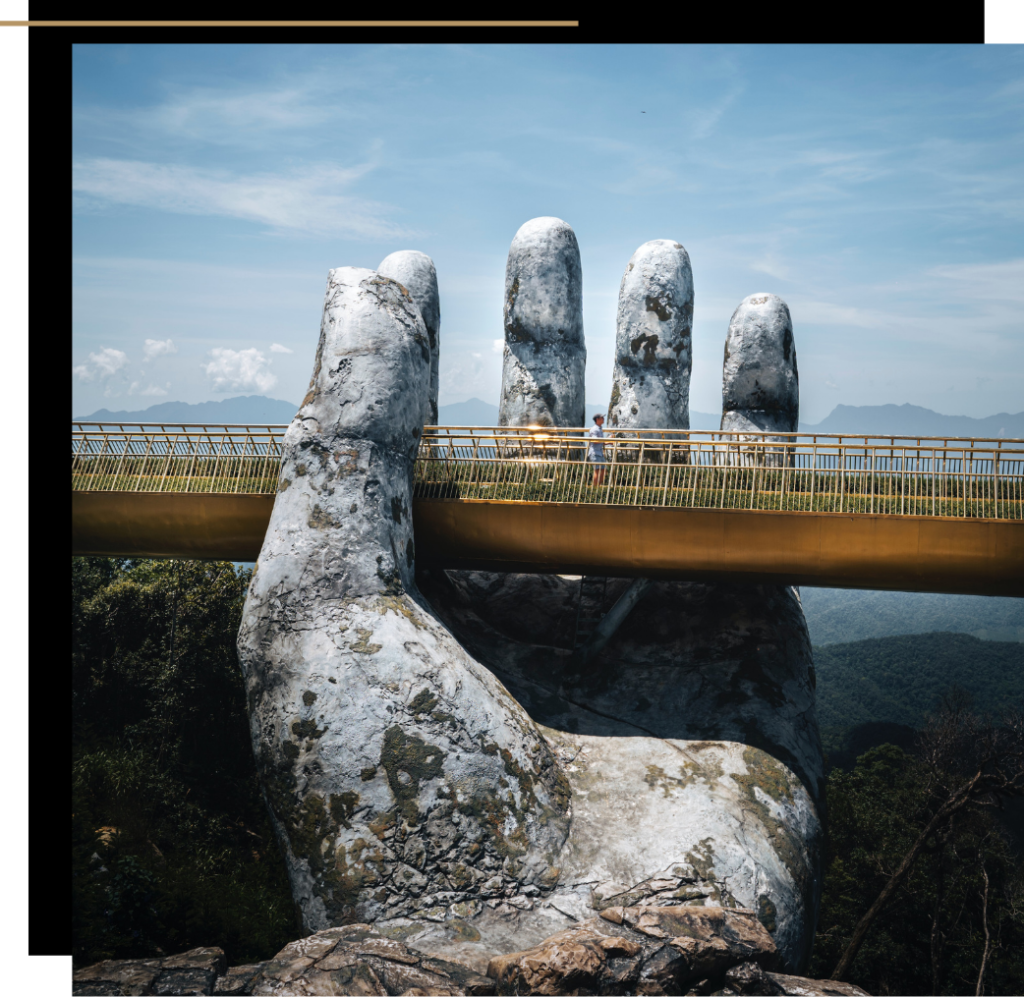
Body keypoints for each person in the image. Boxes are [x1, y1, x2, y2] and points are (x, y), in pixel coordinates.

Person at [589, 413, 607, 485]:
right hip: (595, 453)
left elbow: (599, 441)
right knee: (597, 470)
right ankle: (595, 488)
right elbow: (594, 440)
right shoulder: (595, 429)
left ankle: (598, 487)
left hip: (599, 453)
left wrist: (608, 442)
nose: (603, 419)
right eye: (602, 418)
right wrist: (607, 440)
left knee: (602, 470)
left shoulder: (599, 429)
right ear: (597, 419)